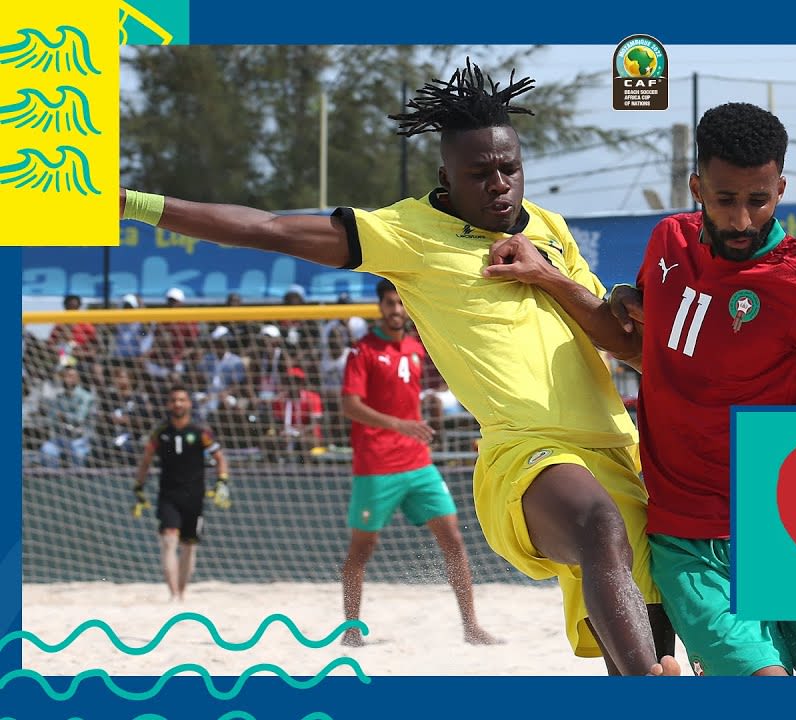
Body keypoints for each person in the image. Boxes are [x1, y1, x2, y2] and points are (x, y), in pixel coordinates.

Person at [119, 59, 676, 676]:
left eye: (510, 168)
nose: (500, 185)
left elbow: (617, 341)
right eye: (479, 173)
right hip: (527, 453)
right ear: (446, 175)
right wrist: (128, 202)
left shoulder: (549, 228)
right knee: (598, 528)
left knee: (646, 644)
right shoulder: (407, 233)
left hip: (617, 448)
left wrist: (557, 278)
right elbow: (270, 228)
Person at [546, 102, 796, 676]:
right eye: (725, 199)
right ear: (697, 187)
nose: (741, 220)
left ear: (780, 189)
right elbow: (647, 347)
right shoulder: (667, 243)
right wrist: (565, 283)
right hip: (689, 537)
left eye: (757, 200)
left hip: (795, 524)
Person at [340, 278, 500, 647]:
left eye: (400, 303)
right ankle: (351, 630)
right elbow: (349, 405)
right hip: (376, 465)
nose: (395, 310)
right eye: (389, 303)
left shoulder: (415, 346)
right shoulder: (362, 351)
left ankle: (471, 627)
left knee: (454, 540)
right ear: (380, 307)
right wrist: (399, 424)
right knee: (361, 551)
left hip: (418, 462)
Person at [132, 385, 231, 601]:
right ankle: (173, 594)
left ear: (189, 403)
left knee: (189, 546)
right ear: (169, 404)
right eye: (174, 400)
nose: (178, 404)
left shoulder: (200, 432)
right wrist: (139, 487)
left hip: (195, 496)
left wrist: (222, 482)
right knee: (168, 541)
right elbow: (146, 461)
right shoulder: (161, 432)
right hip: (168, 494)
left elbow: (220, 458)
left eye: (182, 400)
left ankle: (183, 592)